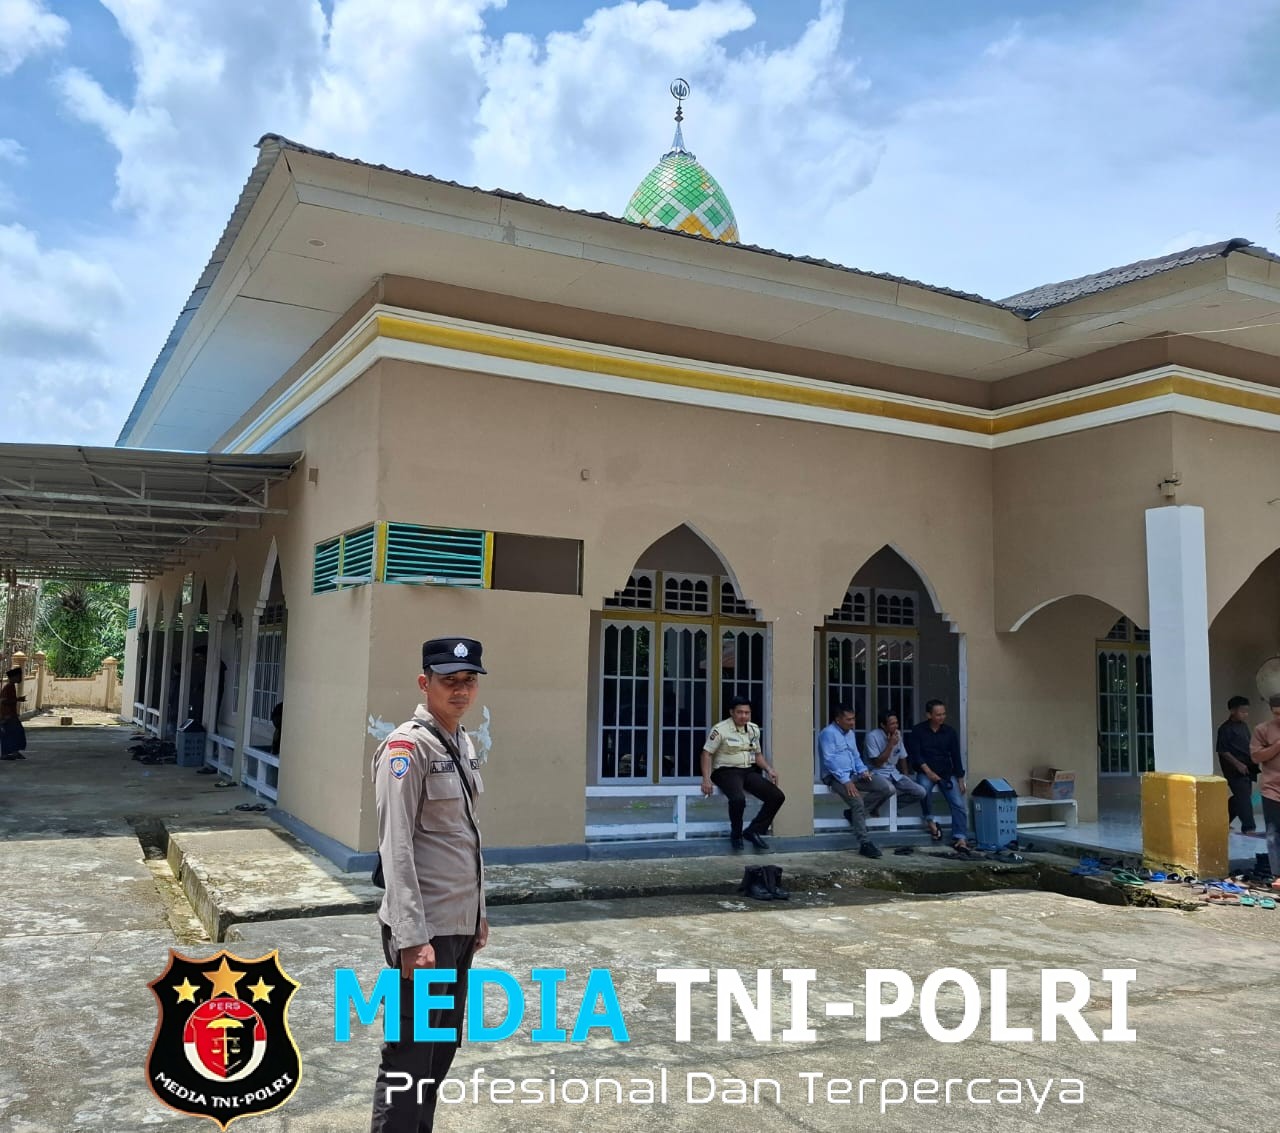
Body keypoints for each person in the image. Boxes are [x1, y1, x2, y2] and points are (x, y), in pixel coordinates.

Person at [370, 637, 490, 1132]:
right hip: (425, 934)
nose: (460, 690)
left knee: (437, 1057)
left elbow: (466, 839)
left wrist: (479, 912)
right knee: (408, 1061)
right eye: (449, 681)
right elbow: (395, 848)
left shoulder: (460, 742)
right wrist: (412, 937)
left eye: (468, 681)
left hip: (456, 926)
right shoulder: (407, 747)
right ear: (425, 683)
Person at [700, 696, 784, 852]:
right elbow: (706, 754)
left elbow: (757, 755)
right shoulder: (720, 729)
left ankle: (753, 830)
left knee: (777, 796)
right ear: (732, 712)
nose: (743, 716)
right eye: (740, 712)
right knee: (738, 799)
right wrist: (706, 779)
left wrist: (769, 769)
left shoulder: (753, 729)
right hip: (725, 771)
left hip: (747, 770)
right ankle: (736, 834)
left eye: (747, 713)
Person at [817, 705, 886, 858]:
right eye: (848, 719)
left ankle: (853, 815)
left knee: (886, 788)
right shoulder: (828, 733)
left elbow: (855, 756)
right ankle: (865, 843)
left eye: (853, 719)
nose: (852, 722)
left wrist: (862, 770)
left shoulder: (850, 734)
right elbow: (829, 760)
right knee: (858, 802)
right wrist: (845, 780)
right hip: (835, 776)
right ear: (838, 719)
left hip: (854, 773)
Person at [905, 699, 970, 851]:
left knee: (958, 803)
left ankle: (961, 837)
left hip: (946, 772)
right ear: (929, 715)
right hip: (925, 770)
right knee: (923, 789)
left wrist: (960, 778)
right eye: (938, 714)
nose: (941, 717)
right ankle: (930, 821)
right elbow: (916, 755)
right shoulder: (918, 731)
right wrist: (928, 772)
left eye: (943, 714)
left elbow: (955, 756)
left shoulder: (950, 732)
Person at [864, 710, 935, 838]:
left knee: (920, 792)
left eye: (897, 723)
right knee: (888, 788)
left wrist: (906, 775)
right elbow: (878, 763)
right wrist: (890, 745)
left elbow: (902, 756)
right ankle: (870, 808)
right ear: (883, 725)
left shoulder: (898, 734)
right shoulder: (872, 736)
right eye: (892, 724)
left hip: (894, 773)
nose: (896, 726)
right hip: (877, 773)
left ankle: (887, 807)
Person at [1249, 693, 1280, 891]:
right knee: (1273, 834)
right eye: (1276, 713)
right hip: (1272, 790)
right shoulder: (1262, 730)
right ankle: (1278, 875)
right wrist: (1277, 745)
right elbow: (1255, 756)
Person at [1216, 695, 1259, 836]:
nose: (1245, 714)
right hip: (1234, 769)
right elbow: (1223, 750)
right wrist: (1237, 764)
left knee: (1242, 797)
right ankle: (1249, 828)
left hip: (1247, 766)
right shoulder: (1225, 729)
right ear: (1233, 710)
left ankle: (1222, 821)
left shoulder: (1243, 726)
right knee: (1244, 798)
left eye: (1247, 711)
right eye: (1242, 711)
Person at [1, 667, 28, 761]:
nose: (20, 678)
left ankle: (14, 752)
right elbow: (3, 701)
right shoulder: (8, 687)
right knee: (9, 734)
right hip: (7, 715)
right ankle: (5, 754)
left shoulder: (11, 686)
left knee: (16, 733)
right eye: (19, 676)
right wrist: (17, 699)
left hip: (11, 714)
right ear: (14, 677)